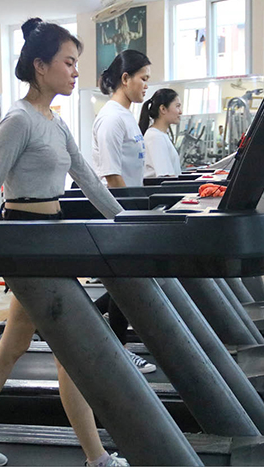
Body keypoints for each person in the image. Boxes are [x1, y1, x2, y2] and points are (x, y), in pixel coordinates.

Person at [0, 18, 129, 467]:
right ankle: (97, 459)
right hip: (25, 240)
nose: (75, 71)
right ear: (40, 66)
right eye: (68, 62)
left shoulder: (55, 122)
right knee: (69, 351)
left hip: (50, 237)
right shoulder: (18, 120)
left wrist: (129, 222)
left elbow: (89, 180)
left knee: (14, 344)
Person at [91, 49, 157, 374]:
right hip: (117, 213)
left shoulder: (128, 115)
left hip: (129, 211)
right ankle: (119, 351)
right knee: (125, 285)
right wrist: (127, 217)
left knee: (126, 284)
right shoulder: (111, 118)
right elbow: (112, 175)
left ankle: (89, 319)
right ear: (125, 78)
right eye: (143, 78)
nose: (146, 85)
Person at [138, 88, 183, 178]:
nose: (180, 112)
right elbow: (166, 176)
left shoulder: (161, 135)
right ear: (163, 109)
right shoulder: (155, 137)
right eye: (177, 106)